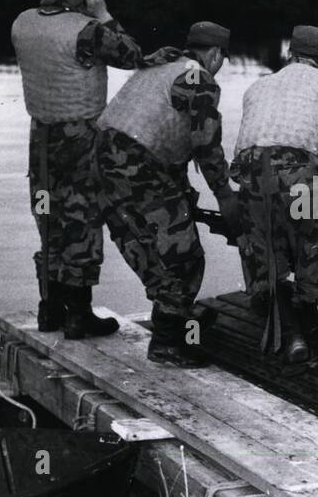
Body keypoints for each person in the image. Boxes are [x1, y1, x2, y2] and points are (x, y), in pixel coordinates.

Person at [10, 0, 177, 339]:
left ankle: (50, 309)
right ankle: (78, 316)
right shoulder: (87, 30)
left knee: (49, 219)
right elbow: (130, 53)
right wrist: (100, 10)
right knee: (82, 219)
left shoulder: (22, 22)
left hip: (41, 137)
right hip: (81, 135)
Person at [95, 21, 243, 366]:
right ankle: (167, 345)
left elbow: (162, 130)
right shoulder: (200, 79)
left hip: (102, 161)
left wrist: (183, 191)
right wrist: (226, 197)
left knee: (149, 250)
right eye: (222, 58)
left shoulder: (162, 65)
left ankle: (178, 322)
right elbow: (207, 146)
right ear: (215, 54)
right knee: (185, 257)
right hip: (136, 169)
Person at [232, 25, 318, 363]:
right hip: (300, 175)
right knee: (317, 252)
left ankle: (291, 335)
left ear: (290, 52)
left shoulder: (259, 84)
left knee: (266, 260)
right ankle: (310, 341)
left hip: (251, 175)